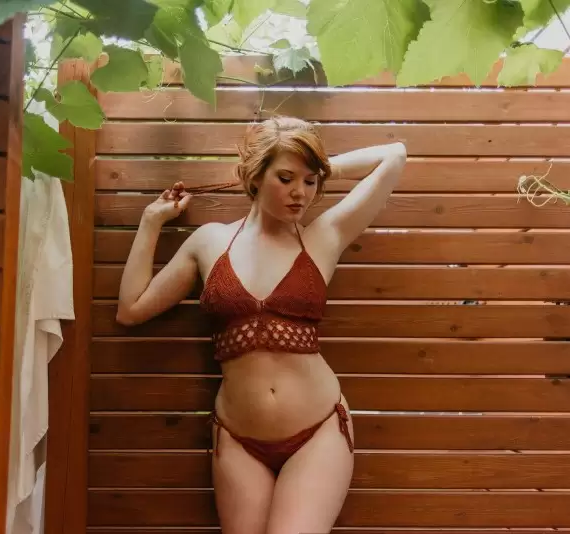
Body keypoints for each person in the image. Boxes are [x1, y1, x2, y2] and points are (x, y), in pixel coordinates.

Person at [116, 116, 407, 534]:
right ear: (254, 176)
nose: (300, 192)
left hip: (318, 432)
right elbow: (131, 309)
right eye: (286, 178)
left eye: (310, 181)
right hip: (238, 439)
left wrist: (320, 165)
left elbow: (395, 155)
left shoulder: (323, 237)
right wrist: (151, 221)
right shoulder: (210, 242)